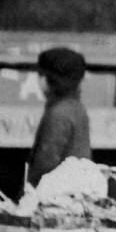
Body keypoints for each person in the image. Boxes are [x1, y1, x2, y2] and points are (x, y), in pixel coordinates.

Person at [28, 46, 93, 187]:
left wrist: (28, 195)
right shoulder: (77, 108)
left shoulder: (59, 114)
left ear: (46, 80)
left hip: (55, 195)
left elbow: (45, 163)